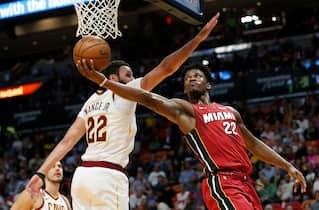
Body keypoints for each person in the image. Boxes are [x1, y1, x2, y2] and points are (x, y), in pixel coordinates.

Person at [26, 13, 220, 210]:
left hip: (82, 177)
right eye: (128, 75)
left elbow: (67, 142)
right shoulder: (125, 93)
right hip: (107, 177)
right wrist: (198, 39)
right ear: (112, 77)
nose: (133, 79)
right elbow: (166, 67)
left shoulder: (90, 102)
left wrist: (40, 173)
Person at [75, 62, 307, 210]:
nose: (191, 79)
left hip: (246, 183)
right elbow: (148, 98)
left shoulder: (230, 112)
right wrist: (105, 82)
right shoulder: (186, 110)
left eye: (197, 76)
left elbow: (254, 144)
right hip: (222, 182)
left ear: (208, 85)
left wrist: (287, 166)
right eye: (187, 78)